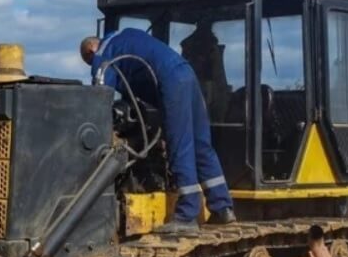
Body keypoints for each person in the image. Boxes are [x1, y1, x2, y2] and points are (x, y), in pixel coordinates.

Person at [80, 28, 236, 233]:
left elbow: (99, 98)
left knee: (179, 145)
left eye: (89, 62)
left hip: (170, 80)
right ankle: (222, 208)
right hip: (186, 73)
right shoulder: (126, 35)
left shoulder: (103, 54)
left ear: (91, 49)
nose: (93, 65)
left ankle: (187, 216)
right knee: (201, 144)